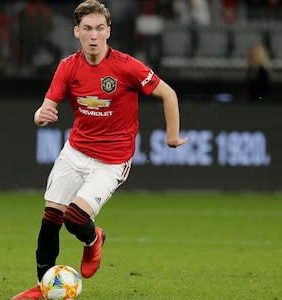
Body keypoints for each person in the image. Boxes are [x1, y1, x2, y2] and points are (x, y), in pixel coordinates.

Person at [12, 1, 187, 299]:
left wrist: (172, 136)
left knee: (75, 218)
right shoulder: (68, 67)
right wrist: (40, 117)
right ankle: (45, 287)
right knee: (50, 219)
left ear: (108, 31)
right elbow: (45, 108)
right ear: (77, 32)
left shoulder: (127, 66)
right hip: (76, 152)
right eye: (88, 29)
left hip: (112, 160)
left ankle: (94, 239)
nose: (94, 35)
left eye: (100, 28)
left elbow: (168, 94)